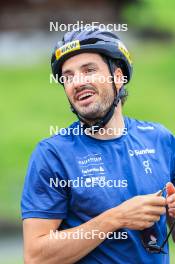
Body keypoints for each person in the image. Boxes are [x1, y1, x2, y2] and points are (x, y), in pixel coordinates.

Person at [21, 27, 175, 264]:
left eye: (89, 70)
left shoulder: (160, 139)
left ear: (118, 77)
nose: (77, 82)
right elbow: (36, 257)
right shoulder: (52, 154)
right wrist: (117, 218)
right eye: (68, 76)